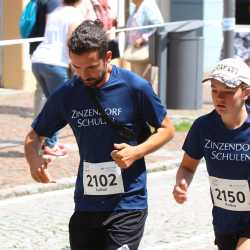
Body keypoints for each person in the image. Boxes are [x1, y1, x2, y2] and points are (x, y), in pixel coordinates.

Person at [24, 20, 175, 250]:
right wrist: (34, 160)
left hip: (128, 204)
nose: (84, 75)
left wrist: (136, 152)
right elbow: (34, 136)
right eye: (77, 67)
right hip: (87, 204)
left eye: (91, 67)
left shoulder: (134, 87)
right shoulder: (68, 93)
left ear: (107, 57)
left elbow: (167, 129)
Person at [172, 58, 250, 250]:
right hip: (224, 221)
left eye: (228, 92)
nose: (219, 97)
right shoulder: (203, 127)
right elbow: (187, 166)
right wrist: (182, 183)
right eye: (214, 90)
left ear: (246, 93)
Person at [31, 0, 83, 158]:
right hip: (56, 63)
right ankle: (50, 144)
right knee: (59, 106)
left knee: (51, 104)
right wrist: (74, 64)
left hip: (39, 60)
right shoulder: (75, 15)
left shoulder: (54, 13)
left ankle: (45, 140)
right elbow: (71, 40)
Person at [28, 0, 61, 116]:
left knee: (41, 88)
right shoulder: (52, 2)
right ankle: (43, 124)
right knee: (51, 91)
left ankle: (38, 120)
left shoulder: (39, 1)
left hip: (35, 48)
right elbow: (51, 27)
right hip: (47, 50)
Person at [124, 0, 164, 78]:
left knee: (141, 83)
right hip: (134, 53)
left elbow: (159, 26)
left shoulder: (148, 4)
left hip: (144, 53)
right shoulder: (135, 7)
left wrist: (144, 38)